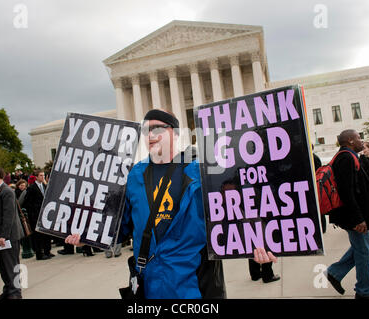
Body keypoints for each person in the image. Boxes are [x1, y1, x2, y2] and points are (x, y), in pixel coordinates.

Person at [66, 108, 277, 299]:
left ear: (175, 133)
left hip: (195, 286)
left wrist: (256, 244)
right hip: (150, 285)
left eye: (157, 128)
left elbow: (233, 214)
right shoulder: (135, 175)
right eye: (146, 130)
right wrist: (87, 238)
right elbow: (121, 227)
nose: (150, 135)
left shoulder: (201, 171)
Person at [324, 130, 369, 299]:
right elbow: (346, 191)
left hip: (353, 215)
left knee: (360, 249)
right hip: (353, 217)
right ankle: (364, 291)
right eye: (359, 138)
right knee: (364, 252)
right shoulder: (345, 157)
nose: (361, 140)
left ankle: (335, 272)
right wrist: (358, 218)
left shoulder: (348, 155)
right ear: (350, 140)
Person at [0, 167, 25, 299]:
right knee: (3, 267)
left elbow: (9, 216)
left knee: (11, 265)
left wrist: (3, 235)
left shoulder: (7, 191)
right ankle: (8, 289)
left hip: (7, 237)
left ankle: (15, 293)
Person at [23, 170, 53, 260]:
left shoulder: (44, 186)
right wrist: (33, 213)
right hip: (36, 215)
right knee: (38, 236)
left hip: (45, 214)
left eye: (43, 175)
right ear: (36, 177)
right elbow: (27, 202)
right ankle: (39, 254)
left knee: (46, 234)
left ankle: (48, 251)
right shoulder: (32, 188)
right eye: (40, 175)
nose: (43, 177)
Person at [15, 179, 34, 259]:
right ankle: (27, 249)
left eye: (23, 185)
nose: (22, 187)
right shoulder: (16, 193)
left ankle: (30, 247)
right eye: (21, 185)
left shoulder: (26, 192)